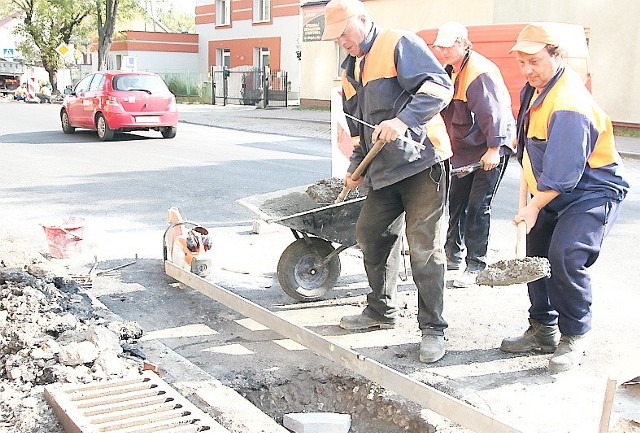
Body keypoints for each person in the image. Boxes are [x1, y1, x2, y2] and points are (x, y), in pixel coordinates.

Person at [321, 0, 454, 363]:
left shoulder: (398, 43)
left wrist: (403, 120)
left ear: (362, 20)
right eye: (336, 38)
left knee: (423, 246)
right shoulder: (350, 70)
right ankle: (381, 310)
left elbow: (440, 87)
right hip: (383, 170)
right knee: (370, 234)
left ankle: (433, 329)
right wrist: (356, 165)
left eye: (345, 33)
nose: (342, 42)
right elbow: (358, 128)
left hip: (422, 162)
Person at [501, 23, 629, 373]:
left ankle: (574, 334)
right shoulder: (536, 88)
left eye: (534, 61)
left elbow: (565, 172)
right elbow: (530, 143)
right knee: (536, 256)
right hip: (552, 189)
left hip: (591, 191)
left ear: (556, 55)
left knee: (566, 256)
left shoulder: (569, 103)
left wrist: (533, 206)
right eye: (522, 62)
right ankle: (543, 328)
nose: (527, 70)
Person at [432, 22, 516, 288]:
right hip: (463, 150)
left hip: (487, 149)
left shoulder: (479, 72)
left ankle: (476, 264)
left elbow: (496, 113)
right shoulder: (450, 71)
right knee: (456, 202)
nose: (442, 51)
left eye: (447, 47)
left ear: (462, 44)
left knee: (478, 207)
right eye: (439, 47)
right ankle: (453, 255)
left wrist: (494, 148)